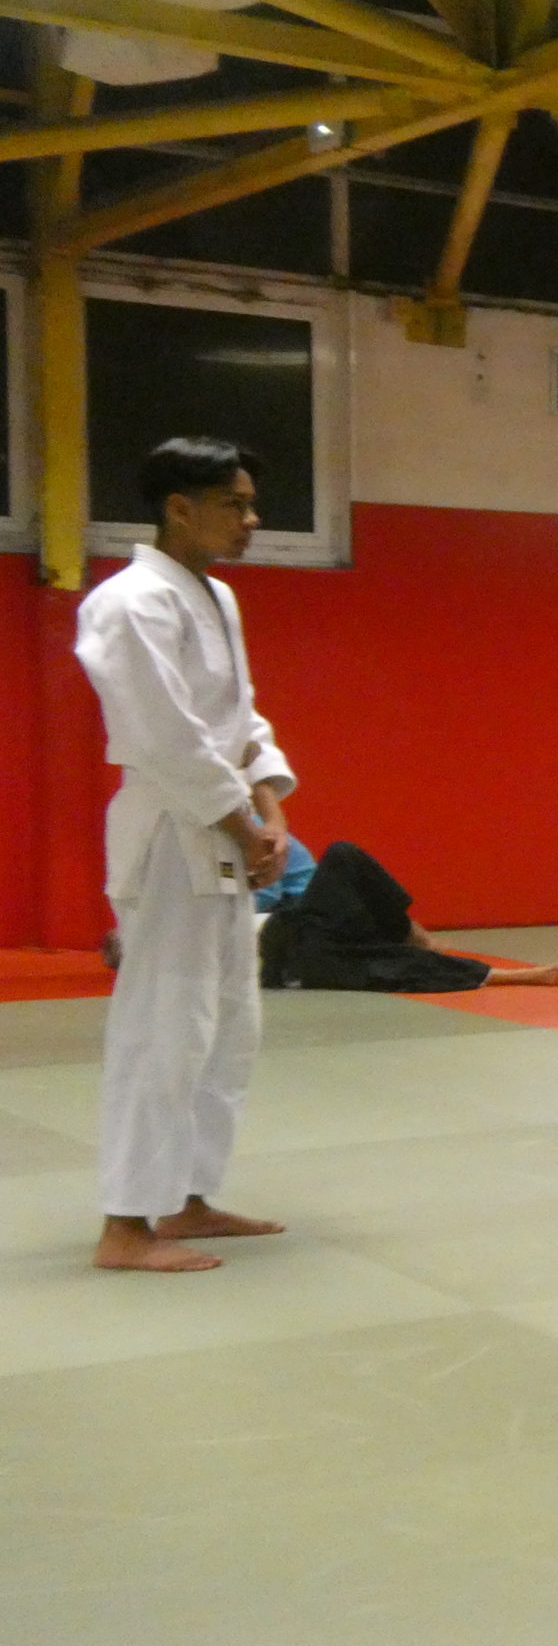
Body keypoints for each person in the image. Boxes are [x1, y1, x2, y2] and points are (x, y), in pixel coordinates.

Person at [73, 437, 294, 1274]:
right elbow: (163, 734)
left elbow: (242, 719)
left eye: (250, 503)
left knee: (228, 1025)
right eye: (234, 504)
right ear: (178, 507)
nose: (251, 519)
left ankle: (188, 1198)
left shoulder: (216, 596)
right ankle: (124, 1224)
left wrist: (270, 810)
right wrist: (241, 824)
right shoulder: (129, 603)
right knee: (162, 1027)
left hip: (226, 824)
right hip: (173, 830)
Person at [260, 840, 558, 992]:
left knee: (343, 854)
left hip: (304, 919)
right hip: (291, 945)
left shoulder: (259, 831)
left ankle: (413, 934)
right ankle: (494, 975)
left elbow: (271, 893)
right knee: (361, 959)